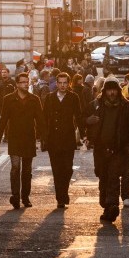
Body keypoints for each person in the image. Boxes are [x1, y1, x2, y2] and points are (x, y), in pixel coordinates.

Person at [83, 77, 129, 223]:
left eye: (114, 90)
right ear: (105, 91)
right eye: (109, 90)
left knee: (113, 178)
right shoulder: (96, 105)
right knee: (102, 176)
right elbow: (83, 117)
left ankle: (112, 205)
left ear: (118, 91)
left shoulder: (126, 106)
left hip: (118, 149)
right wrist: (87, 121)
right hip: (100, 149)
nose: (112, 93)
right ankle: (106, 205)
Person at [0, 72, 45, 209]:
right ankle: (15, 196)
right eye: (22, 82)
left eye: (26, 82)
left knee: (27, 170)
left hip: (29, 138)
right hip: (15, 138)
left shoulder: (34, 99)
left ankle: (25, 197)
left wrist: (44, 139)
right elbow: (3, 120)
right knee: (15, 167)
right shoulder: (9, 99)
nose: (25, 84)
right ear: (17, 84)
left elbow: (40, 120)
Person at [41, 72, 83, 209]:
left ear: (68, 84)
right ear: (57, 84)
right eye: (60, 83)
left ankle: (63, 192)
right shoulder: (49, 98)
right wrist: (43, 137)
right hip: (53, 139)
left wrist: (83, 135)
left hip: (68, 139)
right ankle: (60, 197)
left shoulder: (73, 97)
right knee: (56, 169)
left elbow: (78, 116)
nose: (63, 85)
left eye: (65, 83)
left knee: (67, 168)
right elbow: (44, 118)